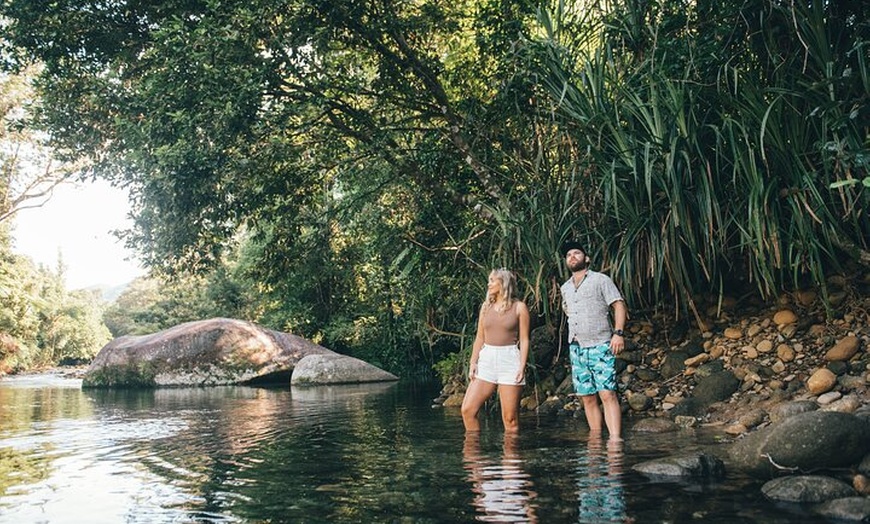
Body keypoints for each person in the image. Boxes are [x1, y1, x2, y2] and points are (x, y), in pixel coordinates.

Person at [559, 241, 627, 441]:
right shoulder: (565, 288)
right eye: (569, 254)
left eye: (577, 253)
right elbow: (569, 313)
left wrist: (619, 333)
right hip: (577, 347)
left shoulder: (600, 280)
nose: (572, 256)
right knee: (587, 397)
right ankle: (596, 440)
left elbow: (619, 305)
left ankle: (615, 440)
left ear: (586, 258)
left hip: (601, 343)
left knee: (607, 393)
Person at [461, 268, 530, 433]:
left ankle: (511, 458)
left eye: (492, 280)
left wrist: (521, 366)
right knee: (467, 410)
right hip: (487, 360)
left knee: (510, 419)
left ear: (504, 283)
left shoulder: (520, 308)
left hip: (510, 360)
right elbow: (479, 338)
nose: (488, 284)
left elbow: (525, 339)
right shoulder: (486, 307)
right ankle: (474, 457)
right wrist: (473, 362)